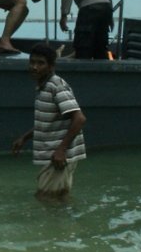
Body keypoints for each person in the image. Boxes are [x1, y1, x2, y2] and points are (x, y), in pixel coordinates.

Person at [11, 43, 87, 200]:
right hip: (55, 154)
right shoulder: (43, 87)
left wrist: (61, 150)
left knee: (46, 198)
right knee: (59, 198)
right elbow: (48, 122)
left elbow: (79, 119)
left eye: (40, 63)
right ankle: (68, 223)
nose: (34, 67)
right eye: (32, 62)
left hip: (58, 155)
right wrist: (24, 138)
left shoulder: (56, 85)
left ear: (51, 66)